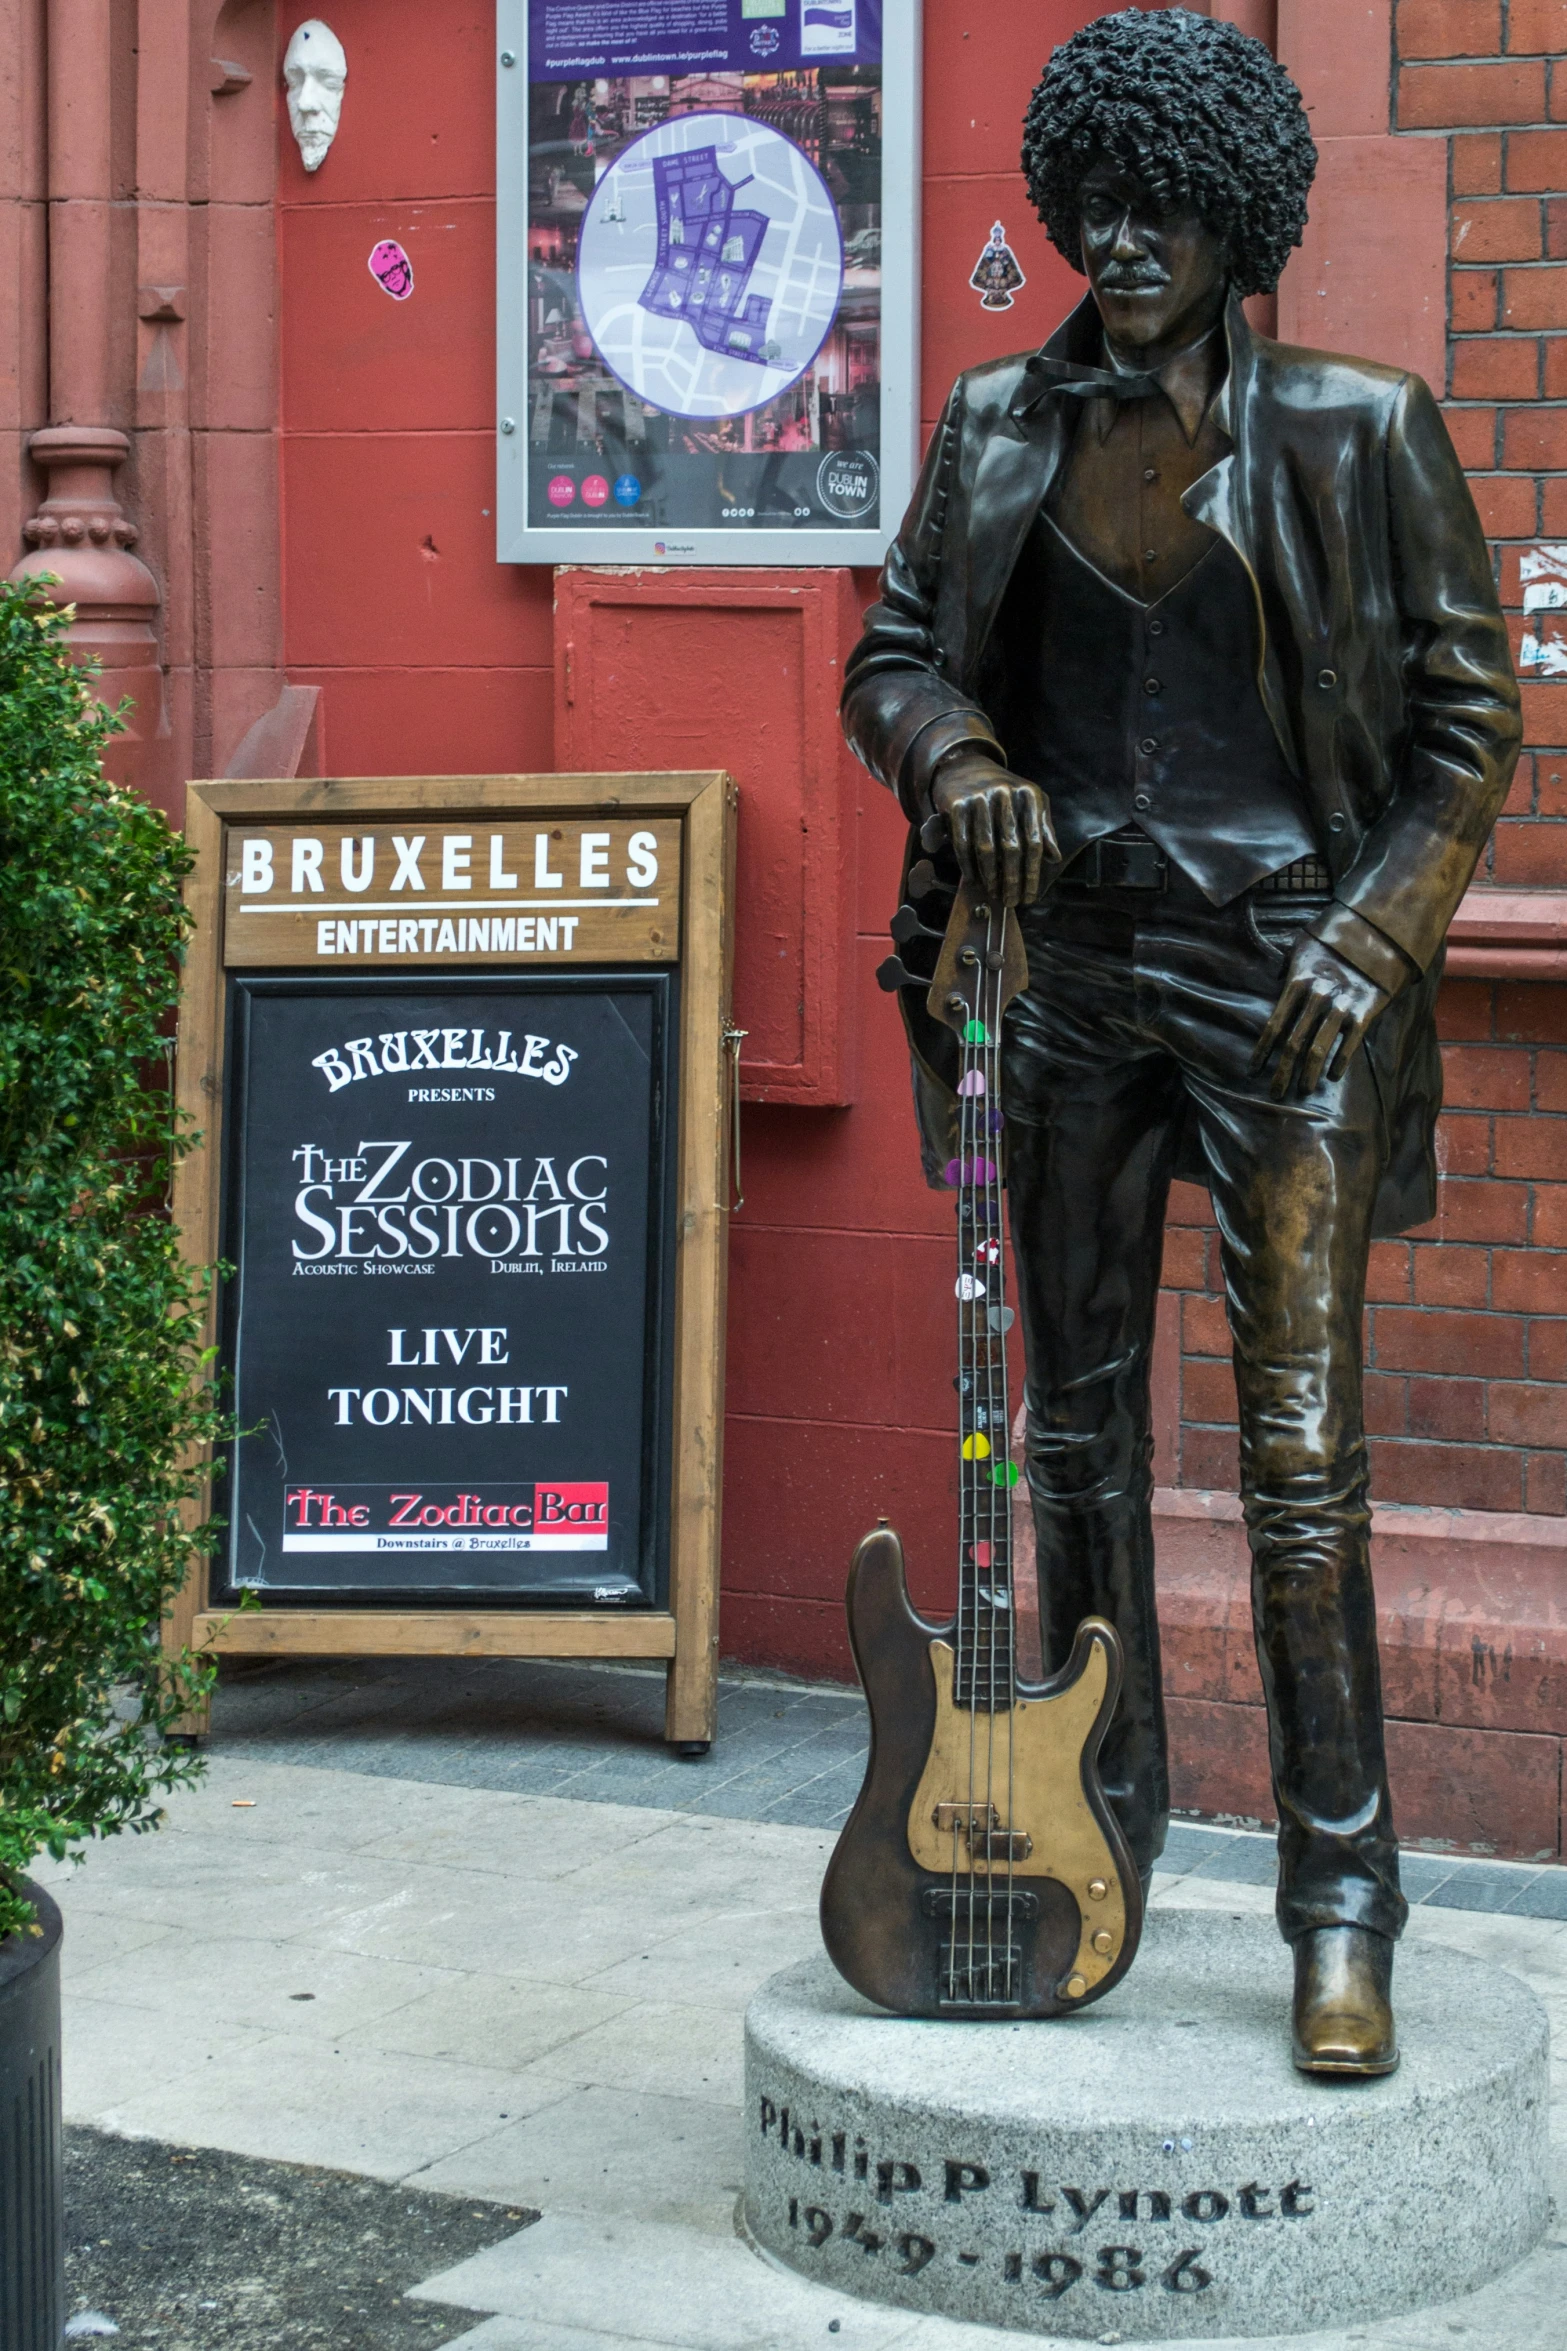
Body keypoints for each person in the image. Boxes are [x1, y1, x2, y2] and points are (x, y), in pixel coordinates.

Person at [840, 8, 1520, 2075]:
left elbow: (1466, 728)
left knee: (1304, 1463)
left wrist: (1383, 940)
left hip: (1282, 964)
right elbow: (889, 654)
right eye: (1096, 202)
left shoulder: (1355, 429)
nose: (1124, 237)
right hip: (1061, 976)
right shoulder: (993, 425)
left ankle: (1341, 1896)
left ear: (1239, 215)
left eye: (1165, 204)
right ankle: (1094, 1821)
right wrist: (955, 753)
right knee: (1072, 1434)